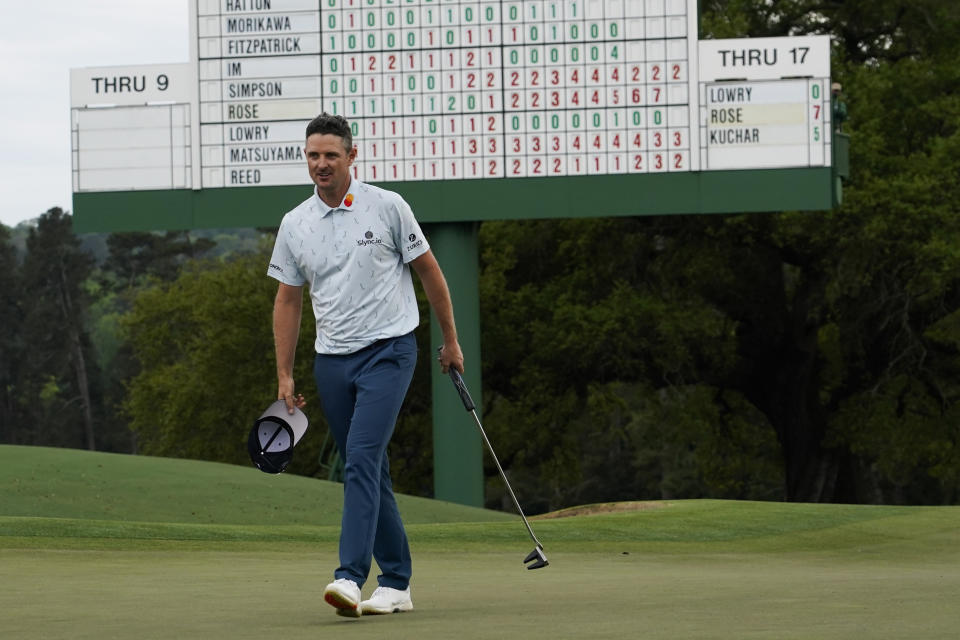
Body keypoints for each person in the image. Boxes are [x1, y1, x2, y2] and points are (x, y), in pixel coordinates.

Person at [268, 112, 464, 618]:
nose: (321, 164)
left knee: (359, 457)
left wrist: (450, 341)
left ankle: (350, 577)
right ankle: (396, 582)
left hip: (390, 351)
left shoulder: (388, 207)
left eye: (331, 155)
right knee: (371, 469)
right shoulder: (296, 224)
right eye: (313, 155)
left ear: (352, 156)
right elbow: (288, 301)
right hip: (331, 362)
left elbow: (430, 274)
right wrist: (285, 373)